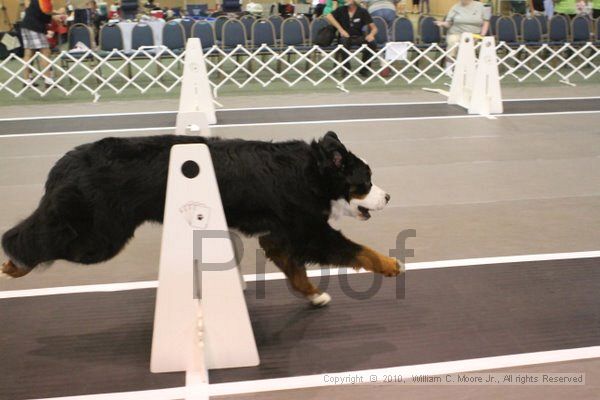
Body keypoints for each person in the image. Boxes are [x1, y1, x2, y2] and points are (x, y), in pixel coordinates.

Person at [434, 0, 489, 74]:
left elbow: (486, 21)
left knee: (469, 43)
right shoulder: (455, 7)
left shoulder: (480, 6)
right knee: (452, 40)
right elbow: (448, 23)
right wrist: (442, 24)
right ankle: (449, 67)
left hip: (474, 34)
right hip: (456, 33)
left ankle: (469, 66)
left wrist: (483, 34)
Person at [326, 0, 378, 77]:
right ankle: (346, 69)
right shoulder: (341, 9)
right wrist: (341, 30)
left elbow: (374, 28)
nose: (346, 0)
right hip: (345, 37)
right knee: (343, 42)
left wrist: (371, 35)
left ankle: (364, 69)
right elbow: (328, 16)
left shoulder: (363, 11)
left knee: (372, 43)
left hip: (359, 36)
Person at [20, 0, 63, 87]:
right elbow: (46, 11)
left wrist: (54, 16)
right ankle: (48, 80)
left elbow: (41, 11)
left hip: (26, 25)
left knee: (29, 53)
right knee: (45, 51)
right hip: (35, 27)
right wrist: (58, 12)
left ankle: (26, 79)